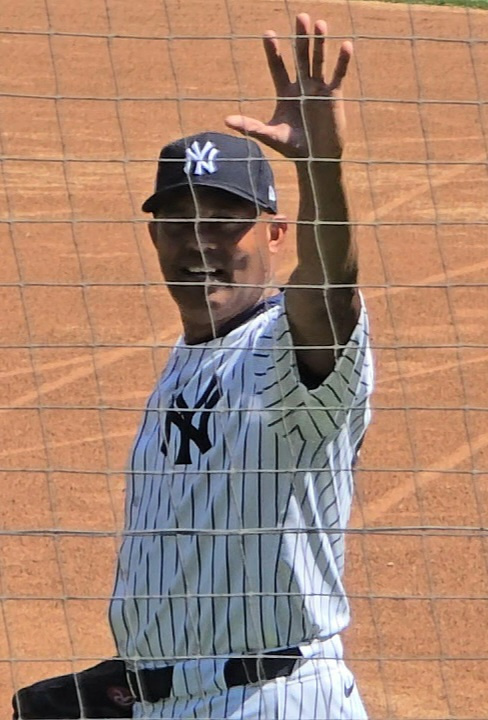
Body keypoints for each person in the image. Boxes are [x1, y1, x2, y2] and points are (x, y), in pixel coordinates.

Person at [12, 11, 374, 720]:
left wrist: (320, 168)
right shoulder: (187, 361)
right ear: (154, 237)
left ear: (275, 233)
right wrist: (134, 678)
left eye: (223, 222)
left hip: (275, 701)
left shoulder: (287, 350)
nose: (198, 243)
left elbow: (328, 290)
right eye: (179, 223)